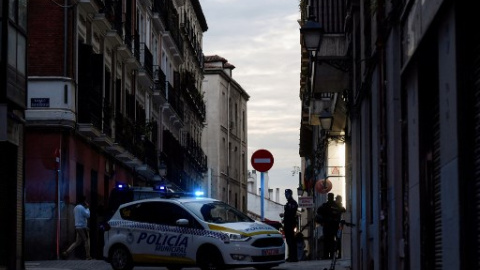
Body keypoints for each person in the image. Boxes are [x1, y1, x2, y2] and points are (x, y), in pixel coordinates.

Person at [316, 193, 345, 260]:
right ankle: (332, 255)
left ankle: (326, 255)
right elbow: (343, 211)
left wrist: (323, 219)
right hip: (334, 226)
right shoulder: (336, 206)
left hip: (327, 226)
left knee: (327, 241)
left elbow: (318, 211)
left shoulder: (325, 205)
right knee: (333, 241)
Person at [62, 195, 92, 260]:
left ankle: (66, 252)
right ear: (84, 201)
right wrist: (87, 208)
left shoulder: (75, 208)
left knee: (77, 242)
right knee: (86, 240)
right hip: (82, 227)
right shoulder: (82, 208)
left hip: (77, 227)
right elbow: (88, 215)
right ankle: (88, 256)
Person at [280, 189, 298, 262]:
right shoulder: (289, 203)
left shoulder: (293, 203)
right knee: (289, 241)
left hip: (291, 224)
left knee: (291, 241)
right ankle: (290, 256)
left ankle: (293, 257)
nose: (286, 196)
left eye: (287, 194)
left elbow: (291, 213)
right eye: (285, 194)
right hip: (287, 224)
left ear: (290, 194)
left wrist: (284, 215)